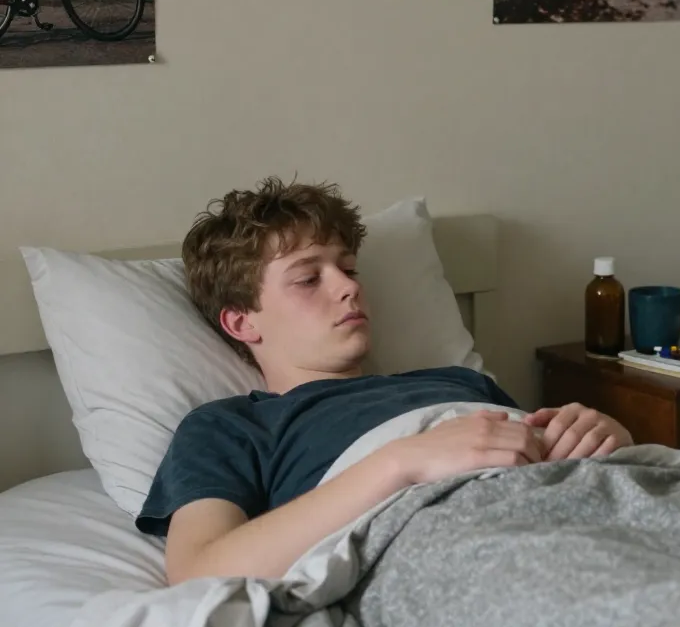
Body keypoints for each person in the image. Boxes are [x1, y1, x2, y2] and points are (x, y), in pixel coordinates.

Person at [133, 177, 634, 586]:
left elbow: (552, 462)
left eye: (349, 269)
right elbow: (200, 572)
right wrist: (402, 461)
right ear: (242, 322)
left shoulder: (458, 382)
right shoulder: (230, 426)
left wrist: (606, 437)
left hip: (602, 504)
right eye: (309, 279)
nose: (348, 287)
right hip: (466, 544)